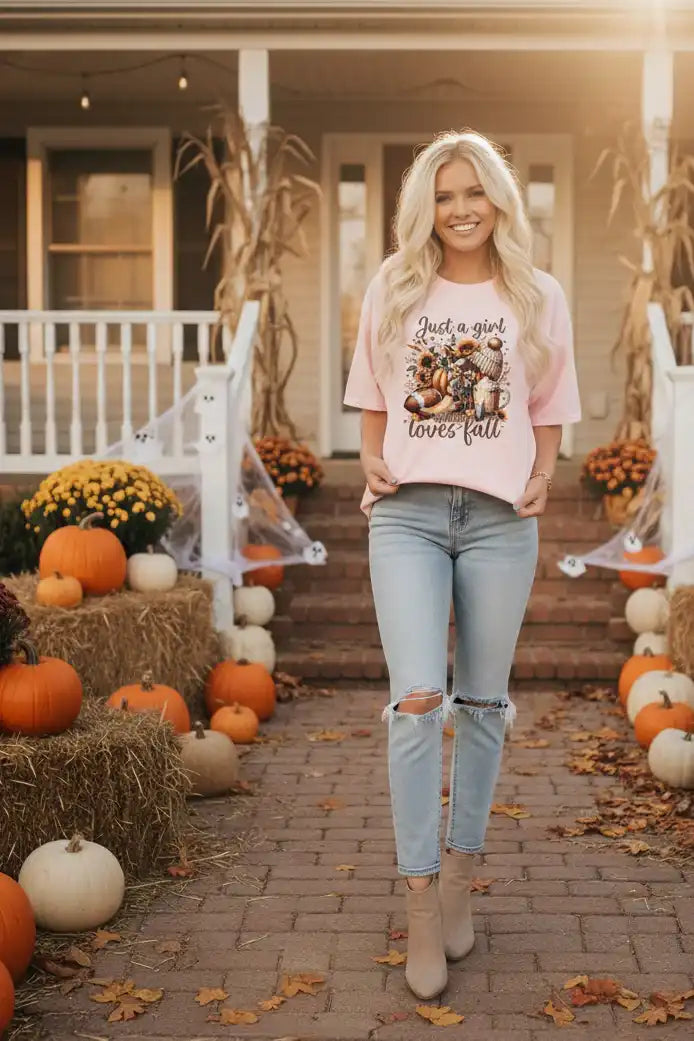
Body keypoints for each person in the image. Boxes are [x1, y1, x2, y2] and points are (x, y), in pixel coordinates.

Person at [343, 130, 581, 1000]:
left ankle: (458, 878)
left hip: (497, 525)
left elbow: (551, 401)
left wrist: (545, 473)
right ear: (425, 207)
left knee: (483, 705)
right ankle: (416, 901)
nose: (461, 207)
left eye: (474, 191)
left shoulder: (537, 293)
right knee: (416, 704)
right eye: (444, 194)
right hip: (405, 514)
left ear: (500, 201)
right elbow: (371, 391)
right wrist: (370, 457)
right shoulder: (395, 283)